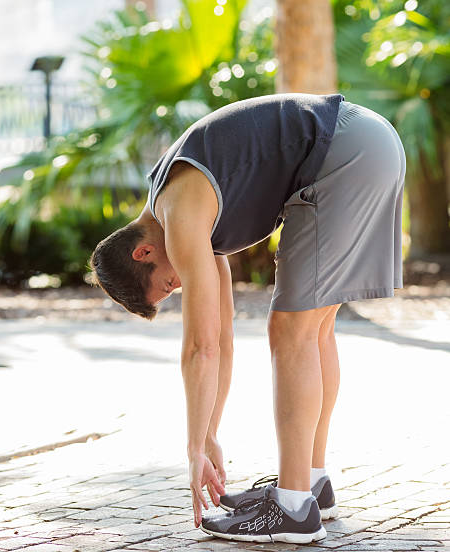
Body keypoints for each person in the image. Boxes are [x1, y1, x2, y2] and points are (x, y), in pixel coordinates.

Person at [90, 93, 406, 544]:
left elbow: (200, 347)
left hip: (345, 153)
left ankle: (294, 508)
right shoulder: (182, 206)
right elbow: (223, 337)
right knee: (313, 332)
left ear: (144, 252)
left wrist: (193, 448)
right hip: (367, 143)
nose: (176, 288)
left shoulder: (178, 212)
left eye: (165, 285)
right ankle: (312, 484)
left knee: (290, 331)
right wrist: (211, 431)